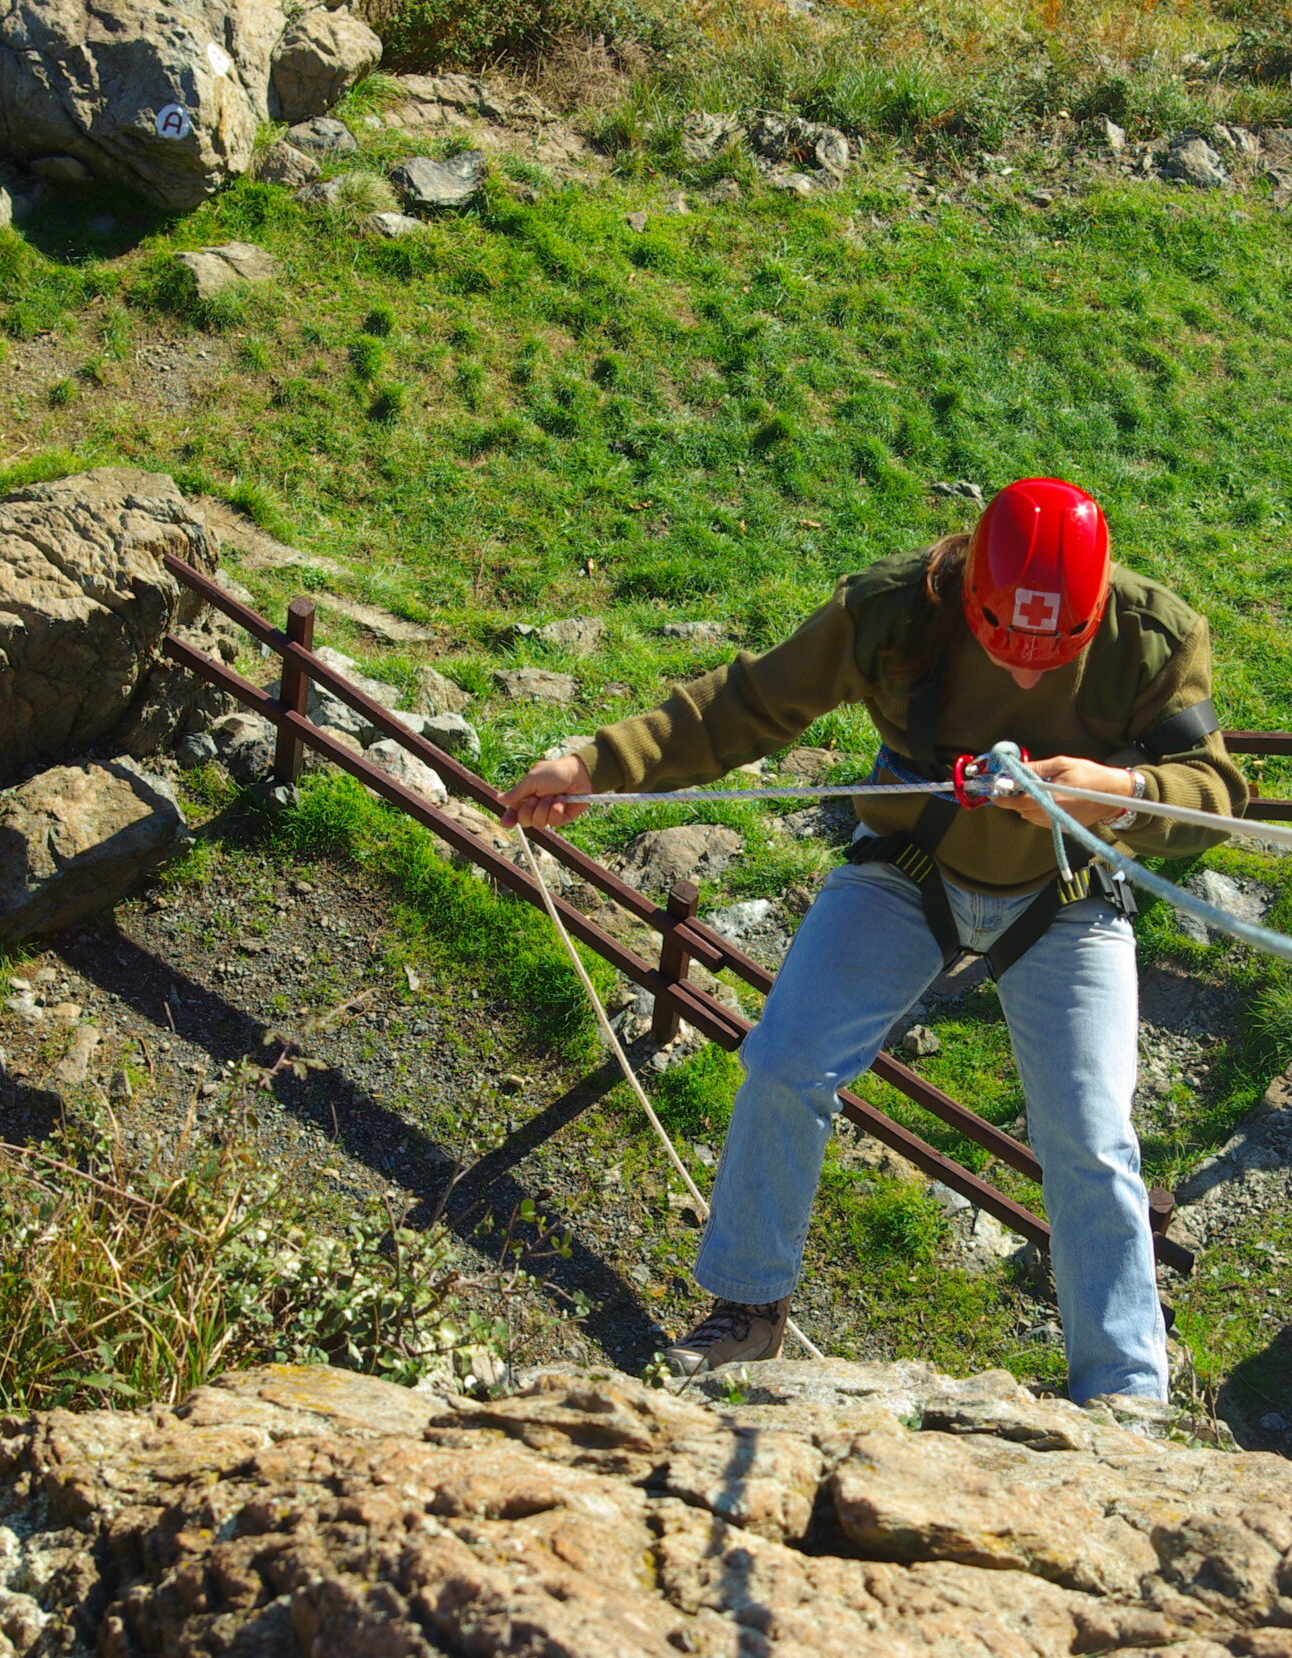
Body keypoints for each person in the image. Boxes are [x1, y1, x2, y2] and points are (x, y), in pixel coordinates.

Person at [502, 478, 1246, 1403]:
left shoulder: (1153, 638)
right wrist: (592, 765)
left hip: (1067, 892)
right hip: (909, 866)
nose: (1022, 676)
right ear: (970, 594)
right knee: (785, 1061)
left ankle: (1125, 1392)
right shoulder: (894, 612)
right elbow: (741, 705)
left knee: (1091, 1134)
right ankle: (747, 1310)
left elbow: (1216, 795)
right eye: (1005, 644)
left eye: (1050, 653)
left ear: (1095, 613)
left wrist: (1122, 794)